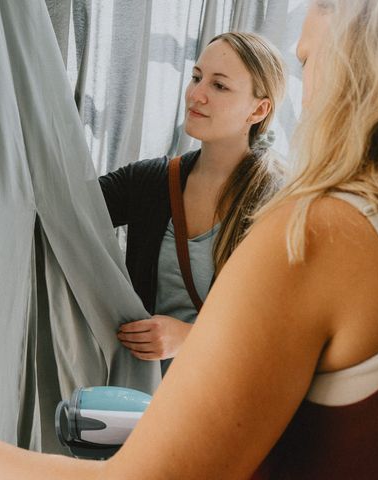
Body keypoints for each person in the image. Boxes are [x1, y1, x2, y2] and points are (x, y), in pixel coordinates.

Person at [0, 0, 378, 478]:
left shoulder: (319, 233)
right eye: (197, 77)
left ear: (360, 71)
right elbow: (67, 211)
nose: (310, 88)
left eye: (309, 60)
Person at [100, 32, 286, 372]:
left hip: (222, 404)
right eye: (197, 77)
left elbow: (287, 328)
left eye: (219, 86)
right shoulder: (148, 182)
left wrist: (189, 337)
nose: (196, 95)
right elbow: (62, 212)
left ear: (259, 109)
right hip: (139, 398)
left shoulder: (279, 204)